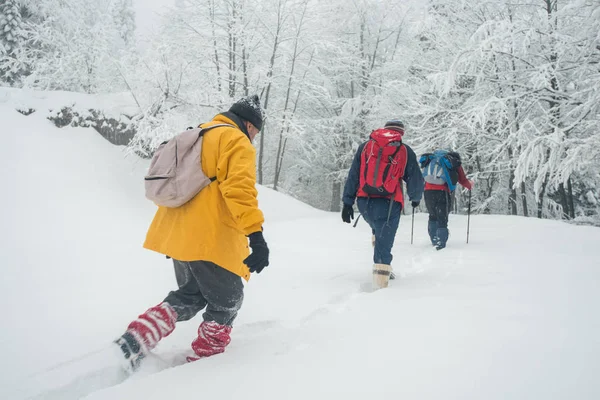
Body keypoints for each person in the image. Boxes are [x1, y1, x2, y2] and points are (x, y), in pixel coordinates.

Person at [115, 95, 270, 372]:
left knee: (192, 295)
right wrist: (255, 235)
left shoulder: (198, 133)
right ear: (249, 124)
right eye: (255, 132)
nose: (254, 138)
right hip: (209, 237)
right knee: (227, 300)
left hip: (177, 234)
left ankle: (136, 338)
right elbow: (239, 191)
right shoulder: (236, 141)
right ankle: (205, 367)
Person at [341, 119, 424, 289]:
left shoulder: (365, 147)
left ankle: (383, 266)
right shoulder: (404, 150)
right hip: (390, 202)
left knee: (378, 231)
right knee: (384, 240)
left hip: (365, 201)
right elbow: (414, 177)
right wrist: (415, 197)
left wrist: (347, 202)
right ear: (401, 133)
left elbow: (354, 175)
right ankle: (381, 285)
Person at [420, 150, 473, 250]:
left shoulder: (430, 159)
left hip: (428, 192)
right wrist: (469, 185)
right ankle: (441, 242)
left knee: (432, 215)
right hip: (442, 191)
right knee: (442, 217)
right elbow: (462, 179)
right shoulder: (452, 161)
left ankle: (434, 239)